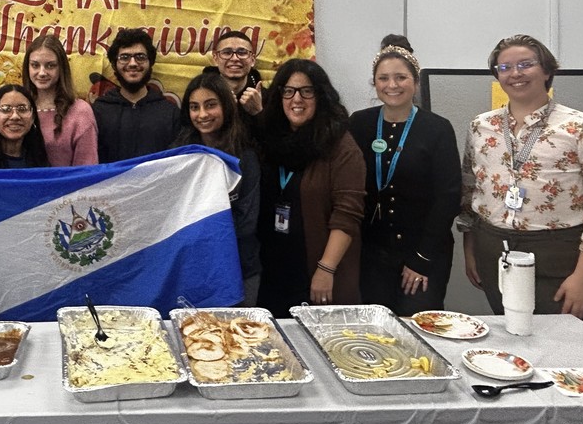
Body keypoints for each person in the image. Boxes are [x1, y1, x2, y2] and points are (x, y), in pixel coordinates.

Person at [458, 34, 583, 324]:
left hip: (560, 257)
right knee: (512, 336)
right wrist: (470, 250)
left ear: (547, 70)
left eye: (526, 64)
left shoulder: (580, 127)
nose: (515, 73)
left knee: (562, 344)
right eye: (505, 67)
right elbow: (470, 190)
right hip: (494, 251)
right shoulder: (481, 126)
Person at [349, 37, 461, 315]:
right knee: (374, 327)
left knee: (419, 324)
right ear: (375, 83)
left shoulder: (437, 128)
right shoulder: (359, 123)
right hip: (372, 254)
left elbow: (448, 197)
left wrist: (421, 260)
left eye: (401, 77)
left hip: (423, 252)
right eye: (383, 78)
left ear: (416, 82)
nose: (392, 85)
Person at [256, 59, 366, 318]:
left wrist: (326, 269)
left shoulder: (340, 146)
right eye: (289, 91)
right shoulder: (271, 139)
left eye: (307, 91)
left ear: (321, 96)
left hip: (318, 269)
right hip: (275, 268)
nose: (297, 99)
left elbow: (347, 215)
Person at [172, 73, 260, 306]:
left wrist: (199, 233)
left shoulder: (245, 156)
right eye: (194, 107)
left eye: (210, 105)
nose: (202, 114)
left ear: (226, 107)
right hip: (192, 268)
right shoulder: (180, 155)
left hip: (238, 268)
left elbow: (247, 222)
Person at [92, 28, 179, 163]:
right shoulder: (98, 111)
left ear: (150, 63)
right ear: (114, 65)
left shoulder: (170, 113)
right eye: (124, 57)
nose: (132, 63)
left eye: (140, 57)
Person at [22, 35, 98, 166]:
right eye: (35, 65)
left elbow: (87, 169)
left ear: (61, 68)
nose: (42, 72)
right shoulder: (17, 109)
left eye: (50, 66)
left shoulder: (80, 112)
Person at [202, 30, 264, 120]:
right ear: (215, 58)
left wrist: (258, 112)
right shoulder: (201, 94)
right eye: (227, 53)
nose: (235, 58)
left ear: (253, 60)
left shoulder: (266, 98)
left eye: (242, 53)